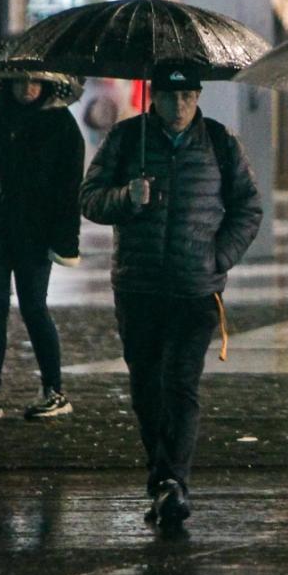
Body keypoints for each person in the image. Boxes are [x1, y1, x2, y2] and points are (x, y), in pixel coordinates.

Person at [79, 73, 263, 527]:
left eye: (186, 96)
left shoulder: (220, 142)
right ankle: (162, 479)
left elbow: (247, 207)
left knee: (180, 383)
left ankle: (172, 482)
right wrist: (127, 197)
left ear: (197, 96)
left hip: (194, 288)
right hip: (138, 285)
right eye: (169, 96)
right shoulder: (127, 139)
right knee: (146, 386)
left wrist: (218, 257)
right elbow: (90, 199)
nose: (178, 106)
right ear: (154, 97)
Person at [0, 77, 84, 423]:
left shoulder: (60, 122)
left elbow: (70, 186)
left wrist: (64, 241)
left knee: (34, 307)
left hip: (35, 234)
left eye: (35, 81)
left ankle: (53, 389)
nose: (28, 88)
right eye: (21, 81)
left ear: (46, 83)